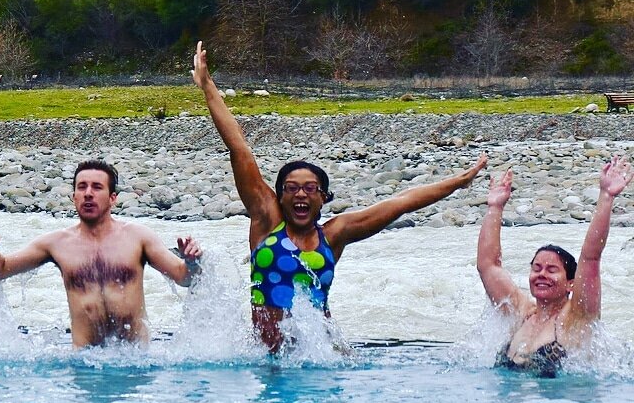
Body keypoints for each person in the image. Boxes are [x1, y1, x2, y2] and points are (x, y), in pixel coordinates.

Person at [191, 41, 487, 352]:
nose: (301, 194)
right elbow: (239, 149)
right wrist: (208, 86)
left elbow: (401, 202)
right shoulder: (267, 220)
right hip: (270, 359)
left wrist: (459, 182)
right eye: (291, 188)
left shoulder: (334, 235)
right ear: (279, 197)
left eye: (310, 188)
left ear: (323, 198)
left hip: (325, 357)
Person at [0, 159, 203, 347]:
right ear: (74, 196)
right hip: (84, 362)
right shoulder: (56, 243)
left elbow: (184, 277)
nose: (88, 193)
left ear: (113, 198)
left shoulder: (139, 237)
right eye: (81, 187)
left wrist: (192, 262)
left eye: (97, 187)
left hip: (136, 360)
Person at [477, 156, 633, 376]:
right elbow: (488, 266)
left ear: (571, 283)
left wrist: (606, 197)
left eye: (552, 270)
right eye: (537, 268)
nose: (542, 275)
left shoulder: (577, 316)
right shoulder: (520, 311)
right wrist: (494, 207)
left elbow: (591, 258)